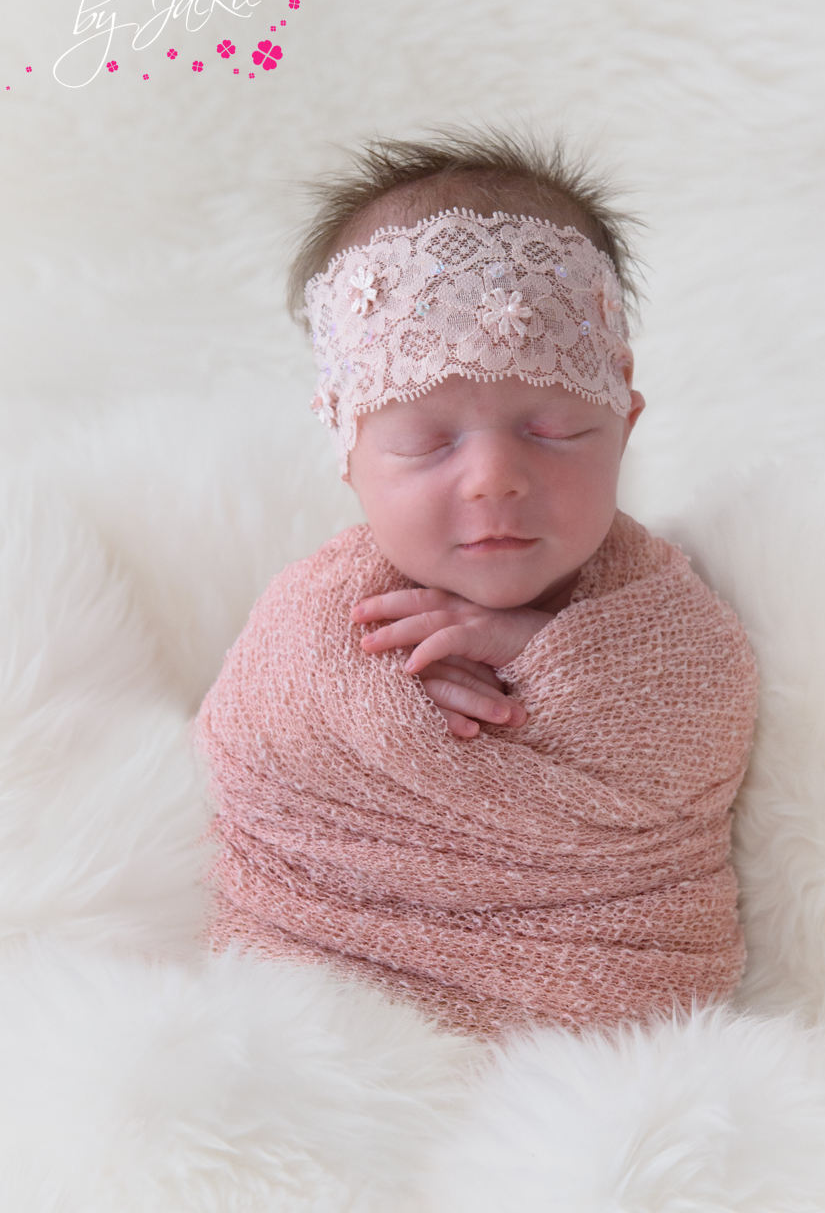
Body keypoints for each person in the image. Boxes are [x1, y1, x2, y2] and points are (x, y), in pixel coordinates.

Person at [196, 129, 759, 1036]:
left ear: (623, 419)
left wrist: (551, 656)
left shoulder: (654, 602)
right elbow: (245, 746)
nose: (494, 478)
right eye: (428, 442)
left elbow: (709, 711)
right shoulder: (317, 611)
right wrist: (383, 703)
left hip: (602, 979)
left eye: (552, 431)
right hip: (336, 965)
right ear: (349, 453)